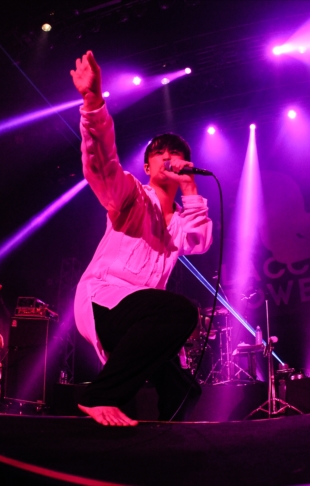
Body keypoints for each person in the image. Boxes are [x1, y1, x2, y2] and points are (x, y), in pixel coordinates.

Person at [70, 51, 212, 426]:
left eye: (176, 154)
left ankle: (163, 449)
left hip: (143, 316)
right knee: (181, 310)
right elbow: (101, 165)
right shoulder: (131, 195)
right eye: (159, 153)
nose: (168, 157)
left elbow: (199, 241)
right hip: (104, 299)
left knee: (184, 390)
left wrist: (191, 189)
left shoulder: (180, 222)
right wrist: (92, 101)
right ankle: (100, 395)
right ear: (147, 166)